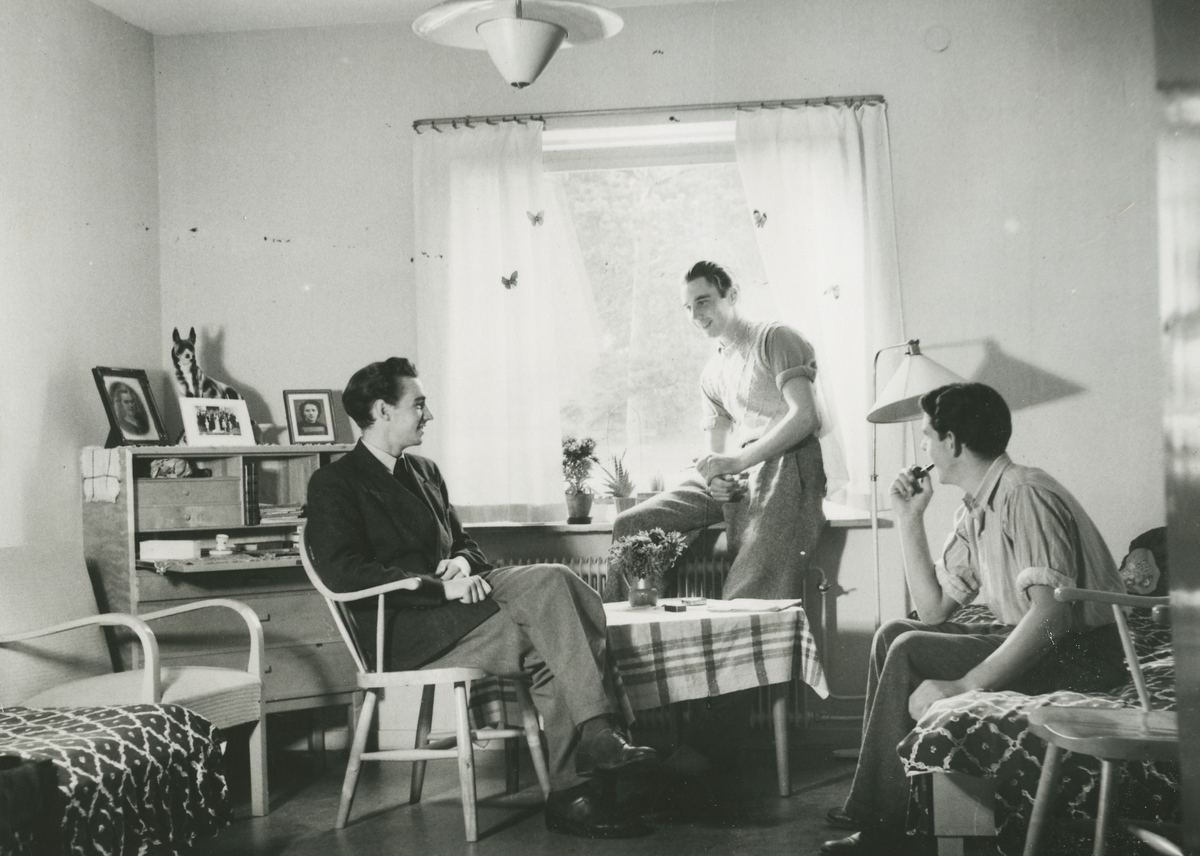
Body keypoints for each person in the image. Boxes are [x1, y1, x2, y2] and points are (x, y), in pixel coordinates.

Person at [304, 357, 657, 839]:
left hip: (459, 609)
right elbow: (343, 570)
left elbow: (466, 544)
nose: (429, 415)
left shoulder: (425, 471)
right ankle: (588, 758)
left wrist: (462, 564)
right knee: (554, 607)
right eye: (418, 405)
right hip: (405, 630)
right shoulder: (335, 481)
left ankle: (580, 779)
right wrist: (436, 585)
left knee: (558, 600)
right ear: (383, 411)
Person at [820, 383, 1129, 856]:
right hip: (1040, 640)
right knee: (895, 634)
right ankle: (888, 806)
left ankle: (883, 827)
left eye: (927, 436)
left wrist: (965, 684)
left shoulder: (1024, 493)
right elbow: (933, 611)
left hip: (1084, 655)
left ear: (952, 442)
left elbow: (1052, 617)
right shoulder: (978, 507)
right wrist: (908, 518)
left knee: (910, 648)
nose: (923, 447)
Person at [603, 260, 827, 777]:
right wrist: (719, 479)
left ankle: (706, 749)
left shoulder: (776, 339)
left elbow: (805, 416)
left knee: (742, 599)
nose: (695, 314)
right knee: (631, 527)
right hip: (740, 472)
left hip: (787, 467)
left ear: (732, 294)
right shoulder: (712, 371)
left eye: (703, 301)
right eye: (687, 307)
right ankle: (614, 712)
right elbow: (716, 452)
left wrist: (737, 464)